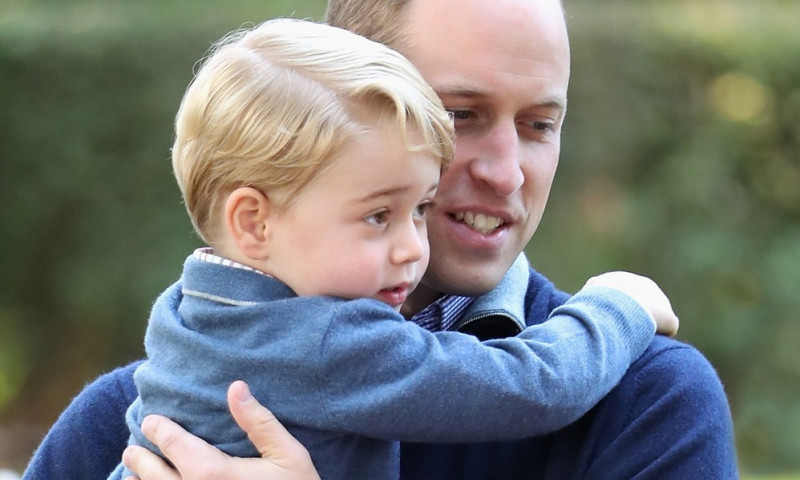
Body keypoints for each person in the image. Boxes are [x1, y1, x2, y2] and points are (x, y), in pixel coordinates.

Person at [22, 0, 739, 479]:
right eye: (457, 114)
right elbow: (534, 382)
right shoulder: (131, 418)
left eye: (539, 124)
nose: (505, 171)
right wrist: (617, 303)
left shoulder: (647, 402)